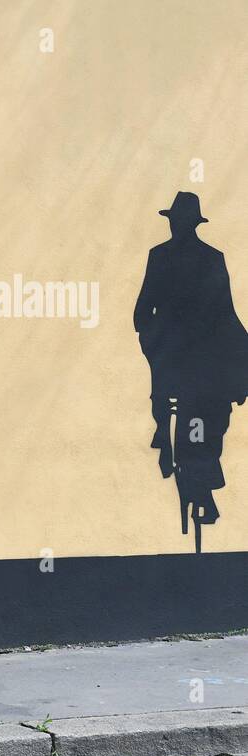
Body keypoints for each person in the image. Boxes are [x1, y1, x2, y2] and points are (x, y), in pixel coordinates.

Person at [134, 191, 248, 530]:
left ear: (174, 222)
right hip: (199, 359)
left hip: (171, 354)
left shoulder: (160, 256)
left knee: (180, 396)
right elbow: (225, 313)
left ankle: (162, 426)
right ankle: (203, 484)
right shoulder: (212, 258)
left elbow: (142, 310)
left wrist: (148, 330)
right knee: (211, 413)